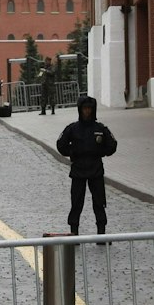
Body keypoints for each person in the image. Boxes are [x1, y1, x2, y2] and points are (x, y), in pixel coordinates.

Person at [56, 95, 118, 241]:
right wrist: (73, 152)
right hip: (78, 171)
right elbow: (61, 144)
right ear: (80, 110)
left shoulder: (100, 128)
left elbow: (112, 145)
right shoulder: (73, 129)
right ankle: (74, 232)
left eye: (89, 109)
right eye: (84, 109)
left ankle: (101, 233)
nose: (87, 112)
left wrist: (99, 152)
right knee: (76, 202)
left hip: (95, 170)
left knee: (99, 202)